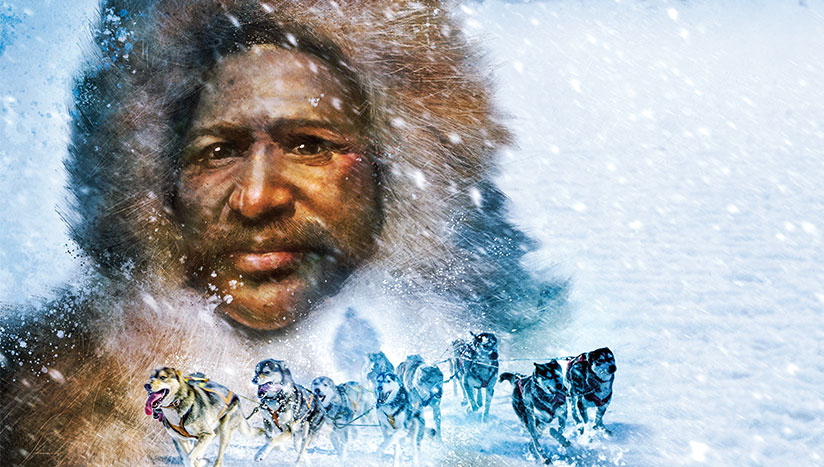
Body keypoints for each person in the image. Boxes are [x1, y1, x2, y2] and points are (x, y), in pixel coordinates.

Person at [0, 0, 565, 463]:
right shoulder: (40, 409)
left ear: (393, 170)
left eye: (309, 145)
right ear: (161, 185)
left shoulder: (507, 367)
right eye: (218, 151)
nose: (257, 197)